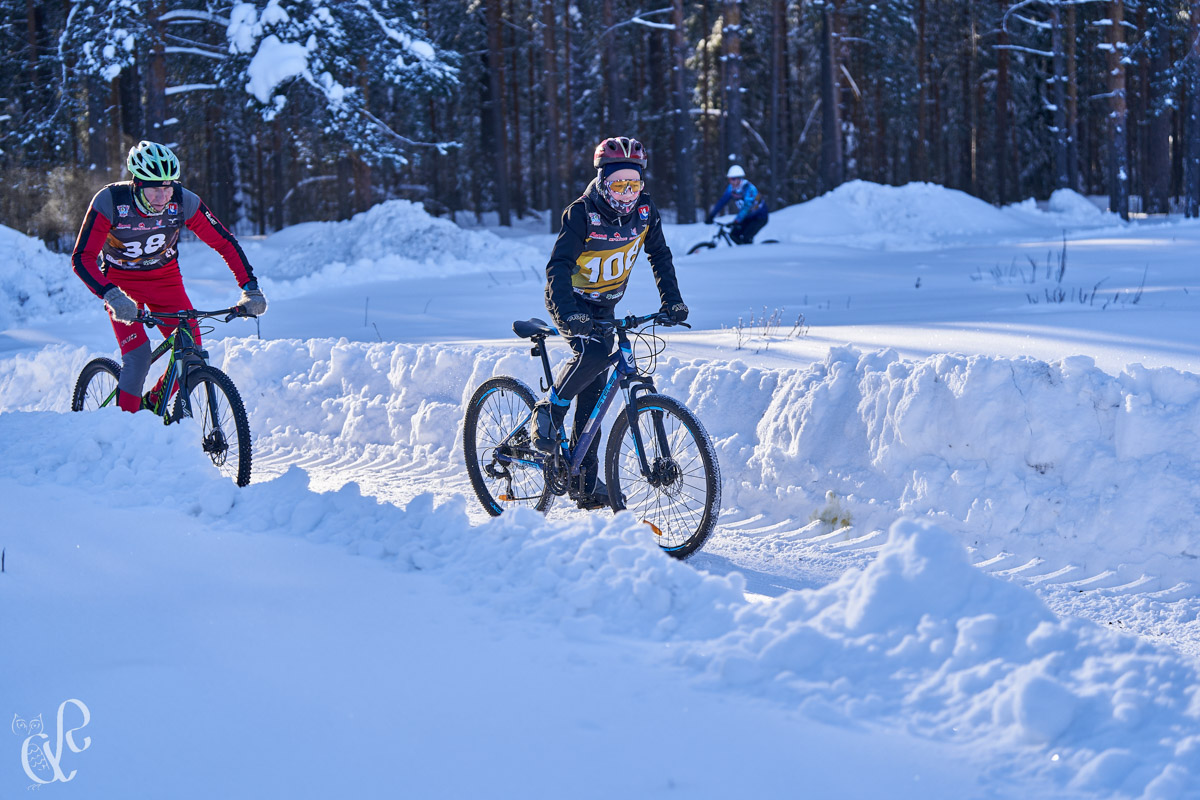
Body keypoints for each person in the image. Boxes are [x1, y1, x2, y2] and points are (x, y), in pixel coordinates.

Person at [533, 136, 689, 509]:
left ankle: (584, 482)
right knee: (595, 354)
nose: (626, 192)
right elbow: (558, 267)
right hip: (569, 301)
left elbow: (660, 255)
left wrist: (672, 301)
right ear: (603, 180)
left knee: (596, 390)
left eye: (633, 184)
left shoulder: (645, 212)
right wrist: (570, 313)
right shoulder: (582, 213)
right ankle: (549, 410)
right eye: (618, 183)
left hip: (605, 304)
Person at [71, 140, 266, 413]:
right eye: (154, 189)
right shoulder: (111, 201)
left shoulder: (183, 200)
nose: (162, 197)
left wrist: (250, 287)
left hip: (165, 280)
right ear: (137, 184)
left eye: (167, 187)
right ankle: (121, 431)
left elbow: (224, 242)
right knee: (138, 358)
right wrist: (111, 295)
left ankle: (152, 402)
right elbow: (82, 257)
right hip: (122, 285)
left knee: (192, 354)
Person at [704, 164, 769, 244]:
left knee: (747, 237)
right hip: (748, 217)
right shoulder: (731, 188)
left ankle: (751, 254)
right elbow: (722, 202)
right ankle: (742, 252)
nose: (731, 181)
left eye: (733, 179)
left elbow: (746, 207)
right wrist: (712, 215)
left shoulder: (749, 189)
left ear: (740, 178)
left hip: (759, 217)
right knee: (733, 234)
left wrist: (736, 221)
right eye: (730, 179)